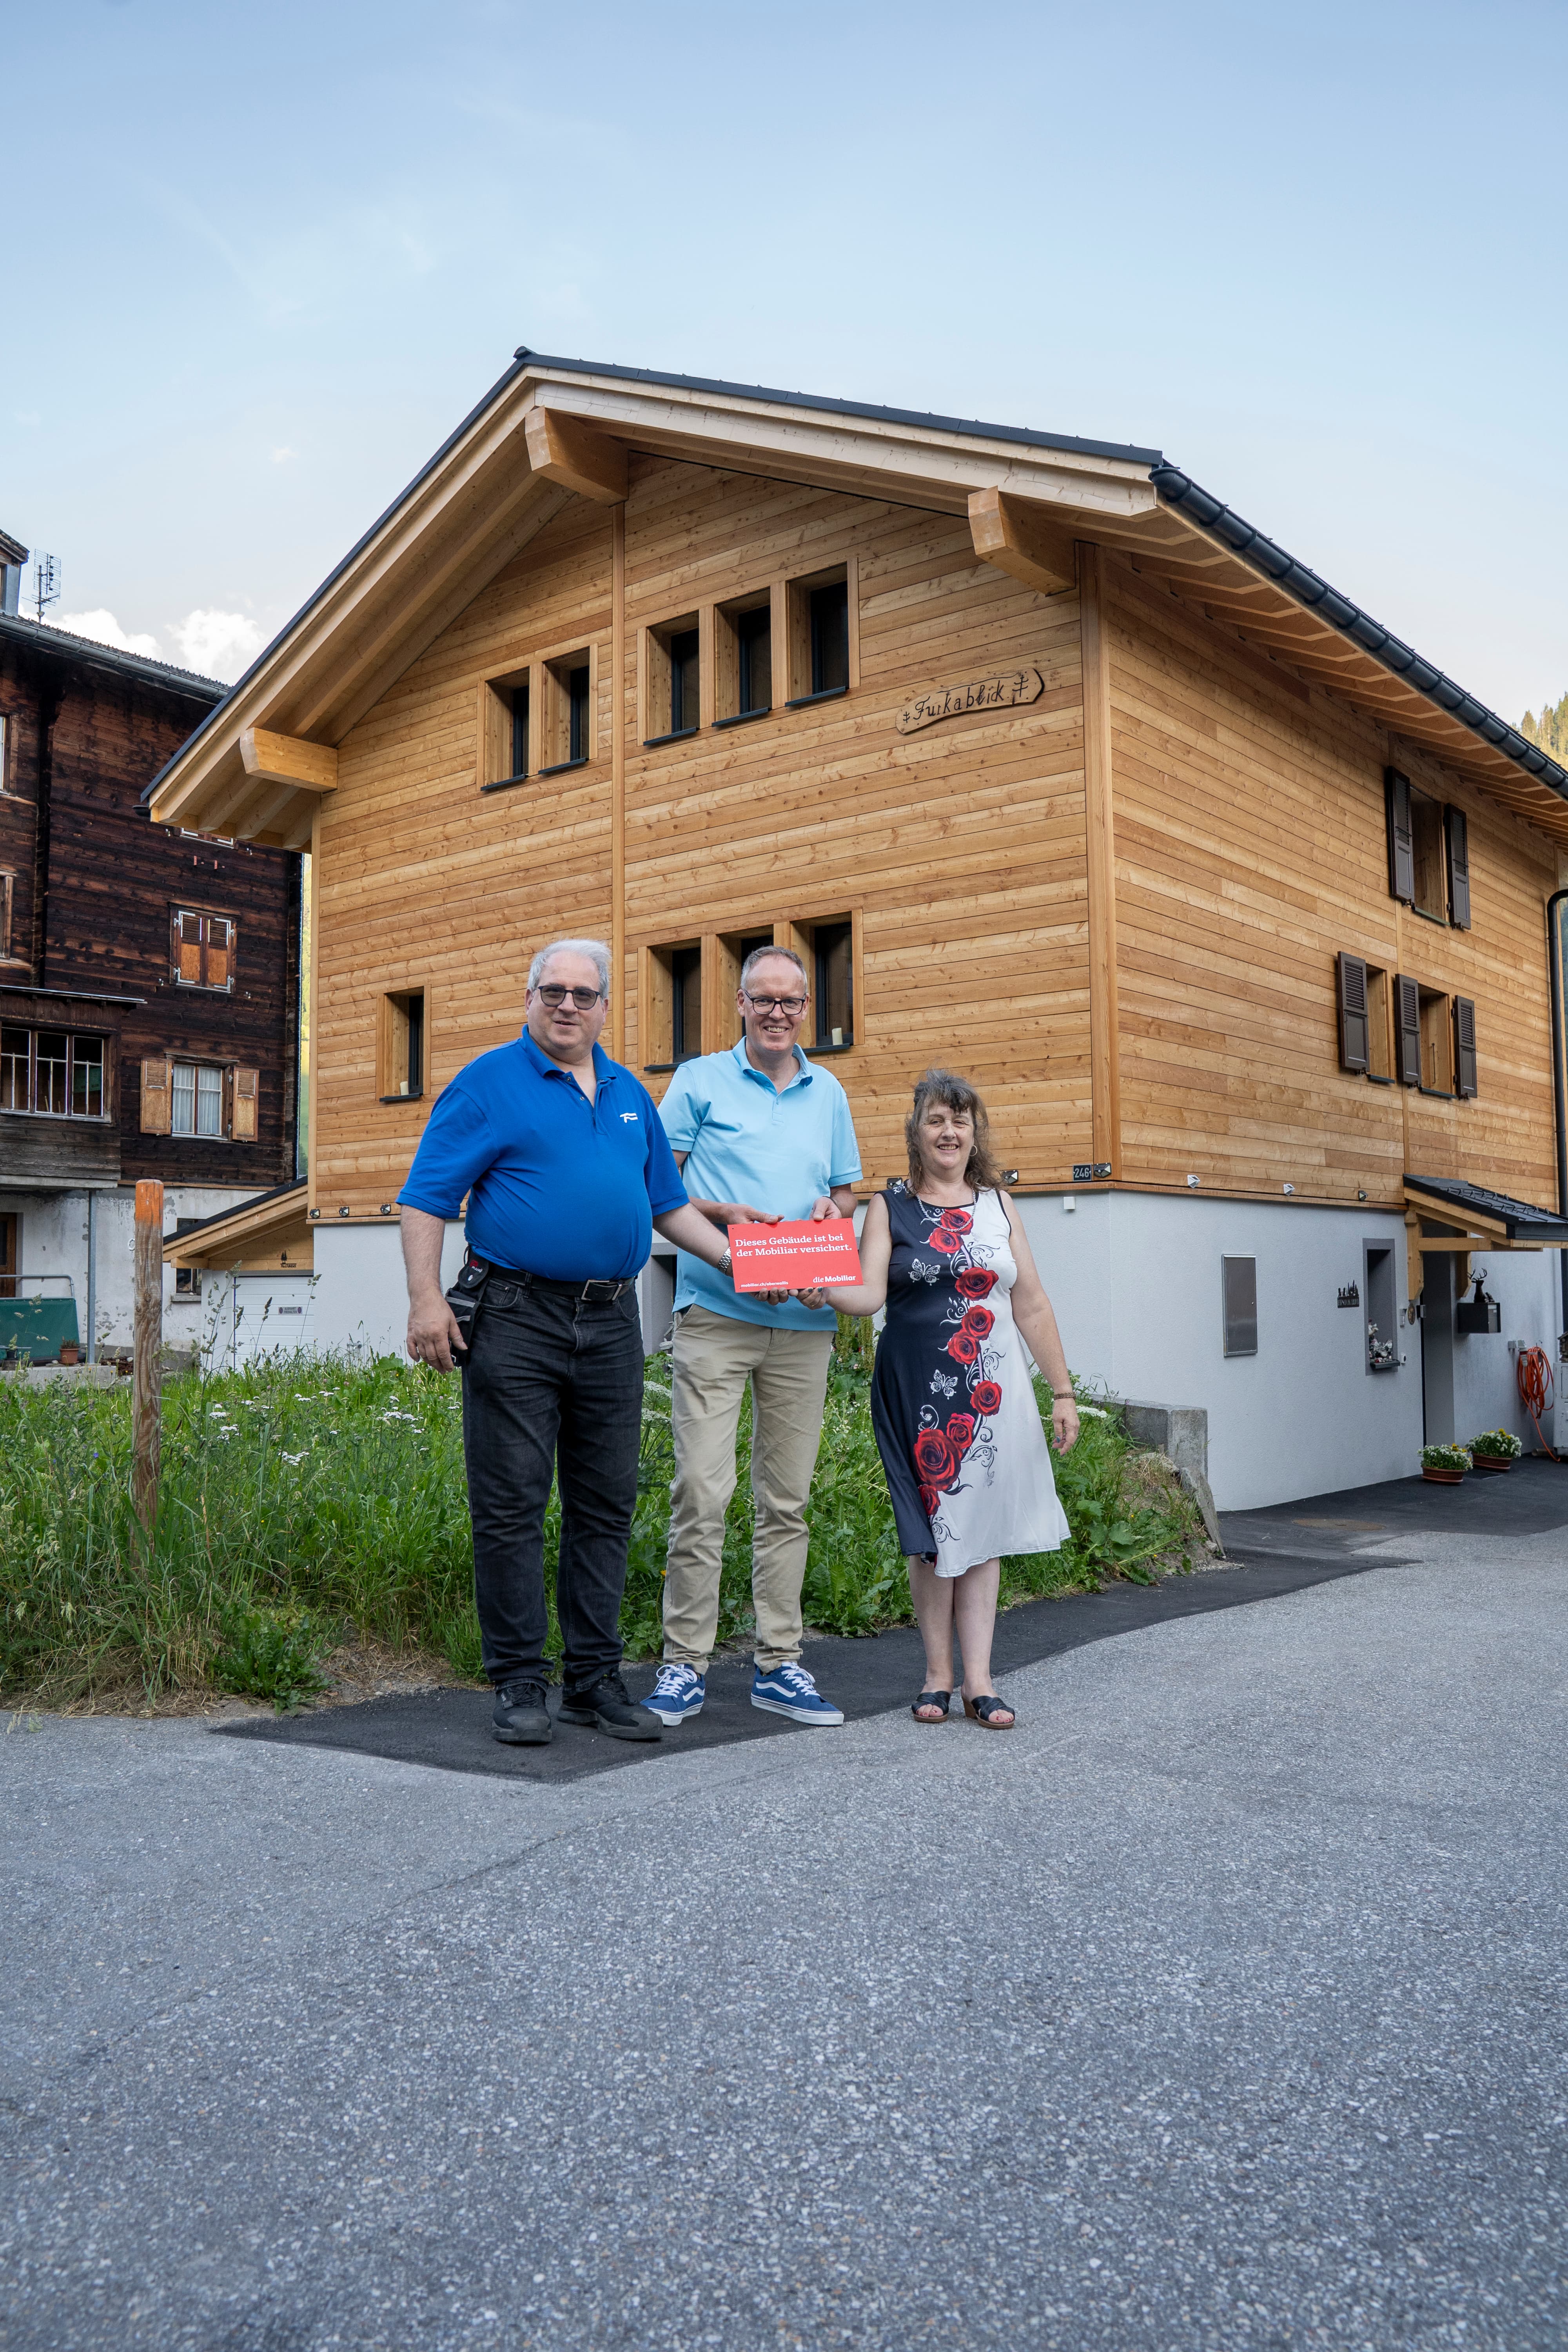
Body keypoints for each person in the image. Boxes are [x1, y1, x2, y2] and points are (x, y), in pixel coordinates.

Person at [397, 939, 741, 1748]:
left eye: (583, 995)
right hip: (515, 1314)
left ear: (605, 1008)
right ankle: (520, 1681)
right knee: (511, 1503)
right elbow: (425, 1199)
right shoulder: (488, 1083)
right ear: (528, 997)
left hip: (612, 1320)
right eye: (552, 991)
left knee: (605, 1503)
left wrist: (744, 1262)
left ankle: (592, 1680)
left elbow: (668, 1207)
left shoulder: (627, 1092)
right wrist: (423, 1300)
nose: (566, 1005)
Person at [644, 945, 863, 1729]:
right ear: (739, 1003)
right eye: (763, 1000)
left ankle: (779, 1664)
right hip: (715, 1314)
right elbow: (657, 1187)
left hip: (804, 1321)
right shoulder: (699, 1080)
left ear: (806, 1009)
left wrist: (833, 1221)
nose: (777, 1013)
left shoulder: (826, 1089)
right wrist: (725, 1220)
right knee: (702, 1492)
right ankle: (681, 1667)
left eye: (791, 1002)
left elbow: (843, 1190)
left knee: (787, 1502)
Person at [825, 1069, 1078, 1730]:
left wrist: (1063, 1391)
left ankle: (980, 1681)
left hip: (996, 1391)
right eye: (936, 1119)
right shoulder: (890, 1206)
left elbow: (1031, 1301)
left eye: (960, 1120)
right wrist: (816, 1286)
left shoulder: (998, 1204)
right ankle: (937, 1676)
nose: (949, 1131)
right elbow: (867, 1295)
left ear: (974, 1134)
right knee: (932, 1534)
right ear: (917, 1130)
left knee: (983, 1532)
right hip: (917, 1390)